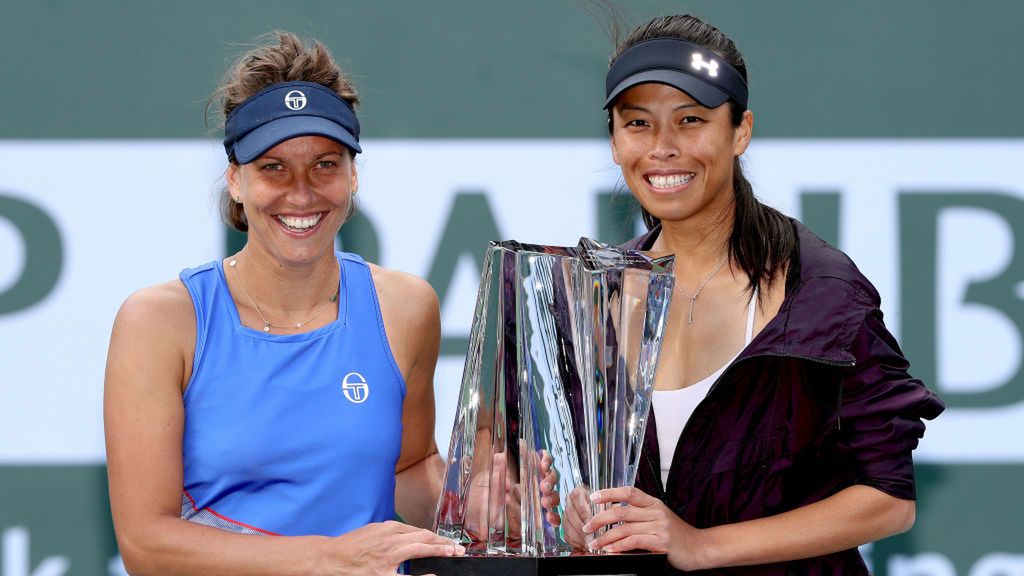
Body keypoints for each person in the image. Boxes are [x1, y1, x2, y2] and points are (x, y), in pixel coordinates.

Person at [563, 14, 945, 574]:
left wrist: (703, 545)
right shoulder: (592, 295)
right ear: (617, 141)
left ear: (740, 130)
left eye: (690, 120)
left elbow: (888, 499)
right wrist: (581, 515)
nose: (662, 148)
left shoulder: (820, 293)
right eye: (638, 123)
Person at [103, 32, 465, 575]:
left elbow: (410, 468)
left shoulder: (407, 307)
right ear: (235, 180)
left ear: (353, 177)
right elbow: (147, 546)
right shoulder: (160, 321)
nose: (301, 193)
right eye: (273, 167)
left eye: (325, 164)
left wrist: (471, 504)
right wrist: (332, 558)